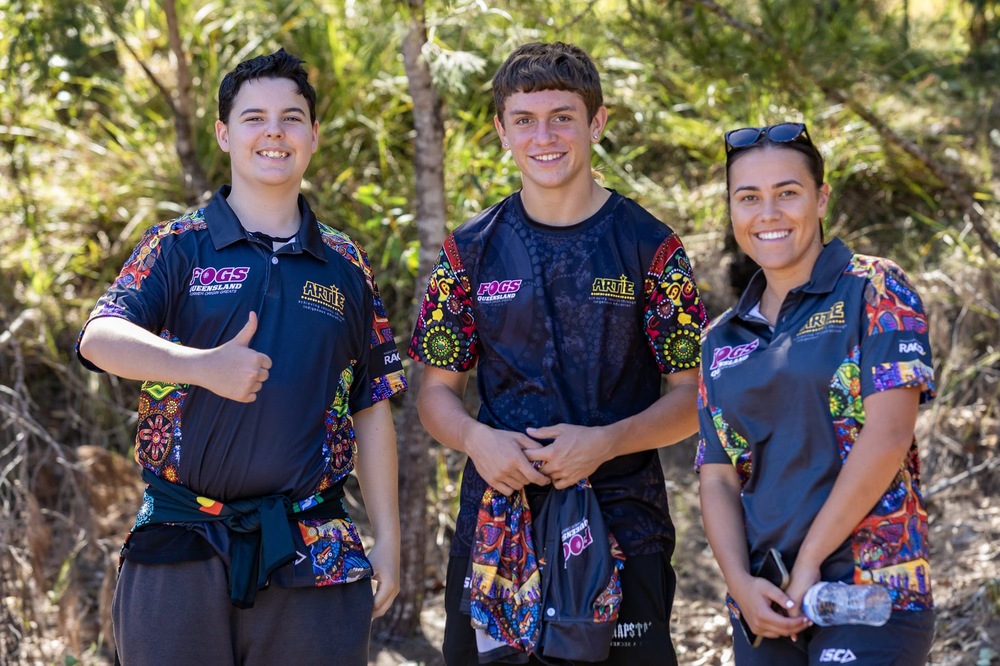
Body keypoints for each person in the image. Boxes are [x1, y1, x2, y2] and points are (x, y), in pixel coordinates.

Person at [76, 48, 406, 666]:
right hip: (181, 539)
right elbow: (99, 337)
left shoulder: (346, 264)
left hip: (314, 546)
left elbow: (372, 404)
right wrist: (200, 367)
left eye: (291, 118)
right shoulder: (178, 245)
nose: (274, 132)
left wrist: (388, 537)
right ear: (225, 134)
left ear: (313, 135)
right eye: (254, 118)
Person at [408, 41, 707, 665]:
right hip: (498, 528)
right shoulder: (469, 250)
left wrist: (605, 443)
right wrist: (476, 440)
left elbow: (694, 398)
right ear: (502, 130)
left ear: (596, 123)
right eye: (524, 120)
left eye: (562, 117)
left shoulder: (651, 247)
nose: (543, 137)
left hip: (623, 526)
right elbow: (435, 393)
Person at [695, 122, 936, 665]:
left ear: (821, 198)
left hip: (871, 588)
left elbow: (889, 434)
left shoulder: (875, 287)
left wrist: (809, 561)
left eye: (788, 192)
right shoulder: (719, 340)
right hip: (767, 599)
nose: (768, 213)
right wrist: (739, 584)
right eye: (748, 197)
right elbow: (717, 476)